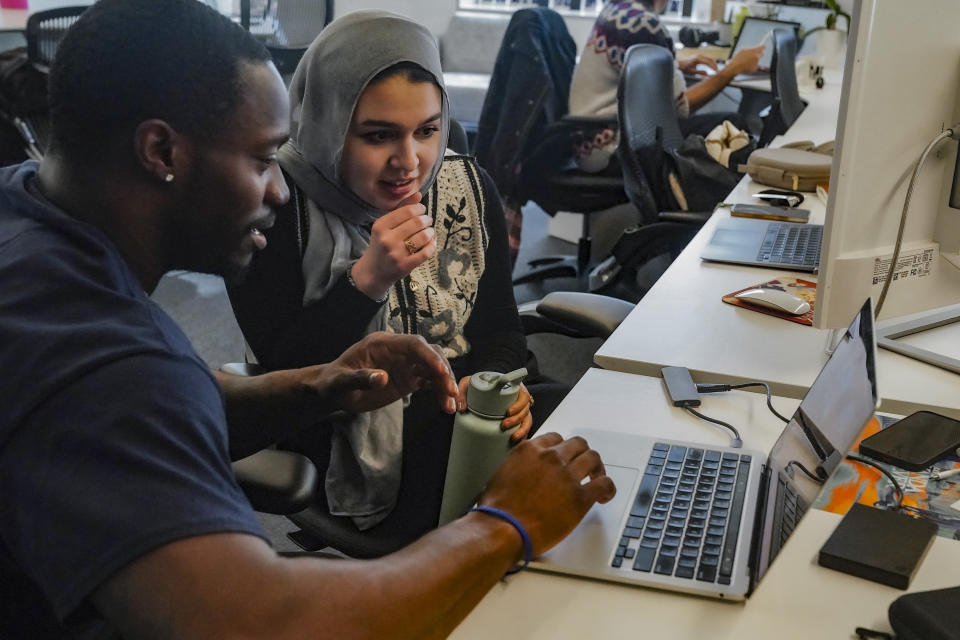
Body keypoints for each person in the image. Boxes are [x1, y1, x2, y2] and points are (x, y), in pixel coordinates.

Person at [0, 2, 616, 639]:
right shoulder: (102, 364)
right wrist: (506, 525)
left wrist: (318, 385)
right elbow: (259, 622)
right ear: (161, 152)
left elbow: (177, 402)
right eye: (264, 159)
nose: (278, 190)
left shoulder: (25, 215)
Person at [227, 10, 568, 546]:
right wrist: (367, 280)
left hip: (464, 407)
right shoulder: (276, 206)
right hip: (348, 430)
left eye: (428, 131)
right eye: (378, 135)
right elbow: (286, 377)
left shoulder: (466, 185)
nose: (410, 162)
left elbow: (501, 330)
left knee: (573, 424)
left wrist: (502, 385)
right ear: (329, 123)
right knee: (520, 509)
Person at [569, 0, 766, 172]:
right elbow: (679, 110)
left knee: (722, 125)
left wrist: (677, 65)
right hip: (609, 146)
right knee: (732, 127)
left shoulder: (618, 10)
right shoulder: (645, 24)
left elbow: (628, 63)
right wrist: (731, 70)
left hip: (589, 141)